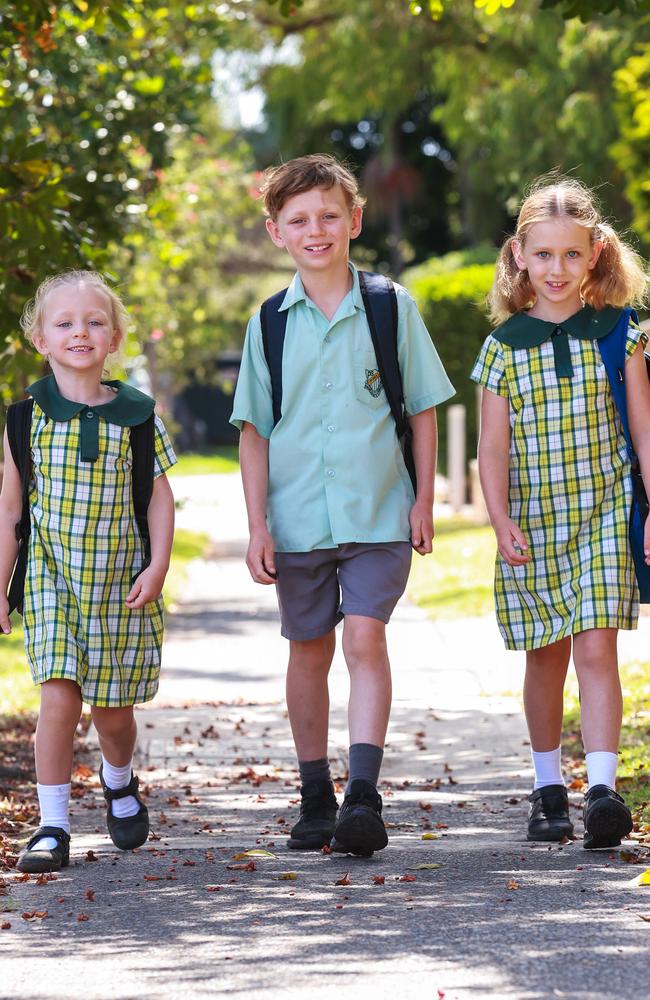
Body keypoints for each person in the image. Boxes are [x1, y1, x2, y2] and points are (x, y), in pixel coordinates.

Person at [231, 154, 454, 857]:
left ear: (354, 219)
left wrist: (423, 500)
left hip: (379, 512)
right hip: (297, 520)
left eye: (330, 215)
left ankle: (362, 793)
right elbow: (255, 433)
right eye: (298, 220)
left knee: (364, 639)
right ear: (276, 232)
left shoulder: (391, 307)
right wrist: (256, 524)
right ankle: (314, 797)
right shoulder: (269, 322)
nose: (316, 230)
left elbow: (422, 412)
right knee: (308, 650)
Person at [471, 176, 649, 849]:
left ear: (597, 252)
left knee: (597, 642)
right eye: (543, 255)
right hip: (533, 522)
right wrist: (497, 517)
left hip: (604, 511)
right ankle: (549, 787)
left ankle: (602, 791)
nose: (557, 270)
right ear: (519, 254)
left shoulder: (622, 335)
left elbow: (644, 431)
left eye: (572, 255)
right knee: (545, 656)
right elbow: (493, 448)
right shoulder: (502, 348)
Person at [0, 271, 176, 873]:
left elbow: (158, 497)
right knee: (57, 698)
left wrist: (158, 565)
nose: (80, 331)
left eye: (95, 321)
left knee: (113, 714)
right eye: (65, 322)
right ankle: (51, 826)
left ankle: (118, 778)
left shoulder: (138, 415)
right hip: (52, 578)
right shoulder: (24, 418)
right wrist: (1, 584)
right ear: (41, 339)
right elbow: (10, 507)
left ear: (115, 336)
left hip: (121, 581)